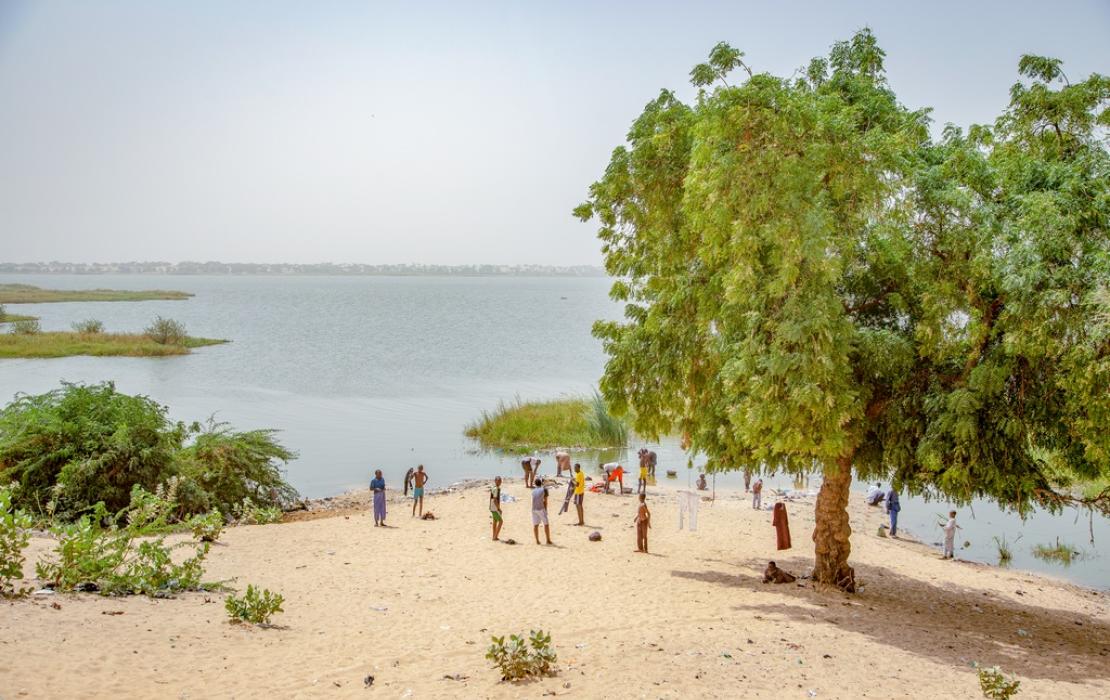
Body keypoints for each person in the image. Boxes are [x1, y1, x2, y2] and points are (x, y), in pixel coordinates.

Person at [531, 477, 552, 545]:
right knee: (546, 524)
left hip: (534, 509)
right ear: (541, 483)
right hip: (541, 508)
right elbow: (545, 501)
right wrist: (545, 510)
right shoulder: (544, 489)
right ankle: (548, 540)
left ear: (535, 484)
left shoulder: (533, 490)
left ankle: (537, 540)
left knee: (535, 525)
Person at [489, 476, 504, 541]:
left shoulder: (494, 488)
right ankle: (495, 537)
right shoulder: (496, 489)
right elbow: (495, 499)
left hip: (492, 507)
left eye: (500, 481)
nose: (499, 482)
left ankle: (494, 535)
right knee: (500, 522)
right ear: (495, 481)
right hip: (494, 508)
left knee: (495, 521)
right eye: (498, 481)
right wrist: (499, 508)